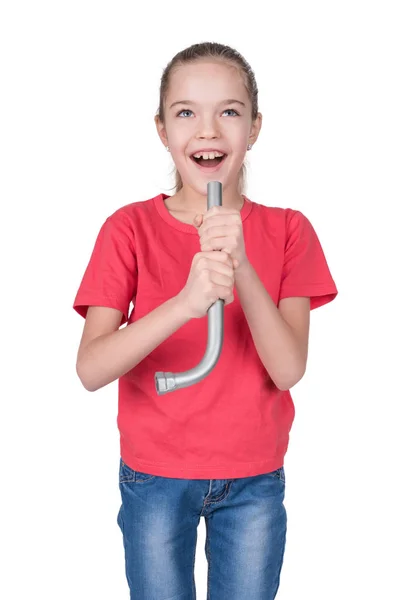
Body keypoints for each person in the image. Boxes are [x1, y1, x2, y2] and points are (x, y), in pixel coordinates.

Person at [73, 41, 338, 600]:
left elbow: (288, 369)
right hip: (153, 477)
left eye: (230, 111)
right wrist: (185, 304)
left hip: (254, 480)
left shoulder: (290, 230)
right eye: (186, 112)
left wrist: (241, 267)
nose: (208, 130)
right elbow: (92, 368)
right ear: (163, 129)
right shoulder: (128, 228)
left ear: (255, 127)